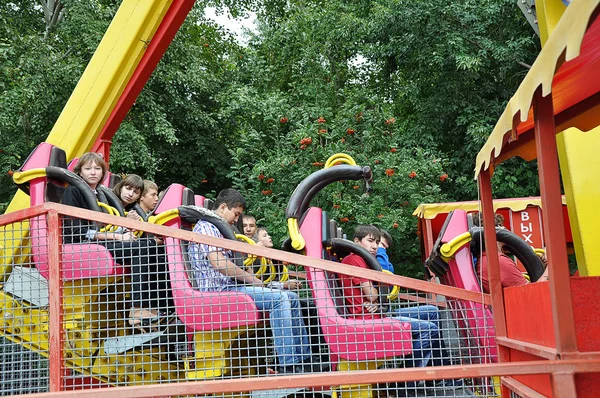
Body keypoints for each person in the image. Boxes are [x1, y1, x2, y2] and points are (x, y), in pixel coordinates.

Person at [188, 189, 323, 374]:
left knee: (290, 296)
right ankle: (288, 364)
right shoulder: (206, 227)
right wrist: (253, 280)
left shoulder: (219, 228)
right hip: (218, 292)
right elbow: (219, 263)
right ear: (223, 207)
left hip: (231, 287)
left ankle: (305, 358)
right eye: (235, 214)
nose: (236, 220)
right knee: (279, 300)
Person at [339, 225, 459, 388]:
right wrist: (376, 300)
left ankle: (438, 370)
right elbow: (373, 295)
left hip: (377, 313)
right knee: (429, 329)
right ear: (356, 242)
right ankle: (409, 380)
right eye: (370, 241)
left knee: (432, 312)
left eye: (376, 242)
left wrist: (378, 303)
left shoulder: (364, 260)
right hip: (368, 320)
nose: (374, 246)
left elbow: (378, 296)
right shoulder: (356, 260)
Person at [61, 153, 169, 332]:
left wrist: (125, 231)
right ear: (79, 171)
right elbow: (76, 231)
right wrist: (118, 237)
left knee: (156, 248)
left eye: (97, 169)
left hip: (102, 241)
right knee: (143, 249)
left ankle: (158, 308)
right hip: (83, 245)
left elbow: (107, 225)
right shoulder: (73, 192)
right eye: (88, 169)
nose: (93, 173)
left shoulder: (100, 194)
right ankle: (136, 309)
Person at [472, 213, 548, 293]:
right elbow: (531, 293)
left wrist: (541, 266)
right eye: (501, 226)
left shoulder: (484, 259)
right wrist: (551, 267)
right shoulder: (498, 261)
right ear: (498, 231)